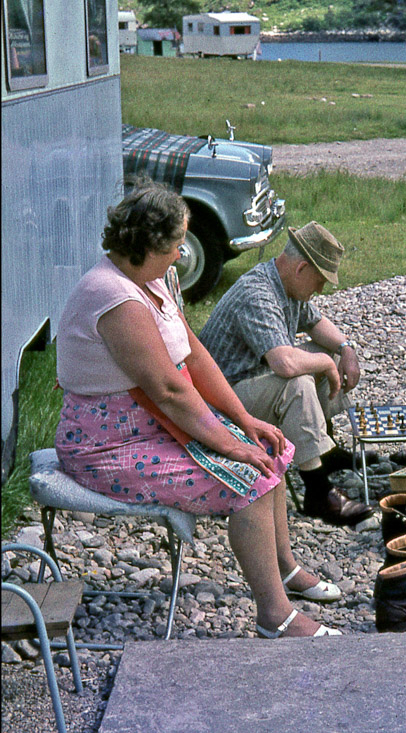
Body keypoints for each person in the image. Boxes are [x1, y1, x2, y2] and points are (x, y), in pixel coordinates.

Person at [55, 177, 341, 639]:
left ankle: (284, 569)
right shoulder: (113, 297)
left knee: (267, 446)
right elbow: (169, 389)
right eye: (176, 245)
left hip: (152, 424)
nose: (181, 255)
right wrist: (229, 445)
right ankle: (274, 615)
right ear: (150, 244)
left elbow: (193, 354)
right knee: (247, 473)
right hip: (106, 443)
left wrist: (244, 422)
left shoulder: (153, 280)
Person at [199, 222, 374, 527]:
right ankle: (318, 493)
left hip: (246, 382)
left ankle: (324, 449)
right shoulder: (258, 293)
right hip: (219, 403)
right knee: (296, 384)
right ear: (302, 268)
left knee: (326, 353)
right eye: (320, 280)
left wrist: (346, 350)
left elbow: (316, 323)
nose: (320, 289)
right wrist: (325, 363)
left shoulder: (287, 284)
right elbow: (283, 364)